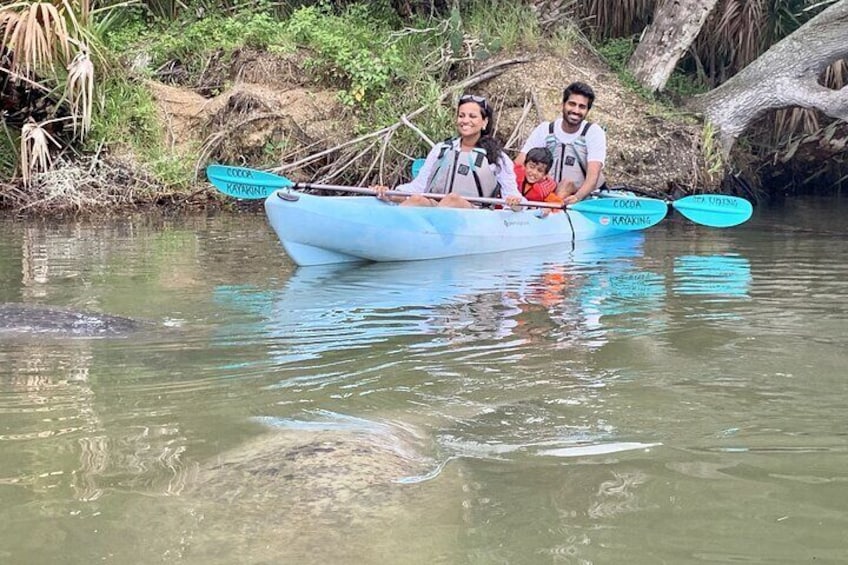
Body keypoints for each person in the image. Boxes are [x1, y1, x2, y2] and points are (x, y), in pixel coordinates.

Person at [373, 94, 523, 209]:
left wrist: (514, 203)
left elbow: (512, 195)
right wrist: (390, 194)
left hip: (475, 214)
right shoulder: (441, 149)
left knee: (452, 199)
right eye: (461, 115)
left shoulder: (497, 157)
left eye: (472, 116)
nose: (465, 120)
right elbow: (419, 187)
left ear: (484, 122)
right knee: (417, 199)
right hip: (438, 208)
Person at [515, 81, 607, 206]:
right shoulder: (545, 129)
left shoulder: (593, 132)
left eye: (582, 107)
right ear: (563, 104)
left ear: (587, 110)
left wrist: (577, 197)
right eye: (572, 104)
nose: (576, 110)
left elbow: (593, 176)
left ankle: (554, 207)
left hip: (580, 197)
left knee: (566, 184)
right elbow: (519, 163)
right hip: (548, 192)